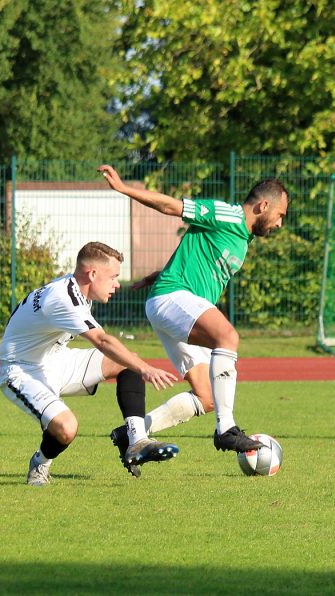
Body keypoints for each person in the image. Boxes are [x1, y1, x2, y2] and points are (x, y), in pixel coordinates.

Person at [98, 164, 289, 462]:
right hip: (173, 298)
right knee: (228, 337)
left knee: (207, 397)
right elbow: (171, 206)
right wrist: (124, 189)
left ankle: (132, 433)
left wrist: (160, 273)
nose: (279, 224)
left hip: (177, 302)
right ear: (264, 206)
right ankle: (226, 429)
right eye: (280, 215)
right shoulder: (227, 215)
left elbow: (196, 257)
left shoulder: (243, 238)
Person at [0, 241, 180, 484]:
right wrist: (145, 369)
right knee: (66, 428)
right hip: (22, 369)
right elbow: (102, 341)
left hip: (55, 358)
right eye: (113, 277)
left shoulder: (76, 289)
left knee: (127, 361)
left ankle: (136, 440)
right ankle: (40, 463)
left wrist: (138, 365)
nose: (117, 284)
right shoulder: (62, 299)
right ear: (92, 274)